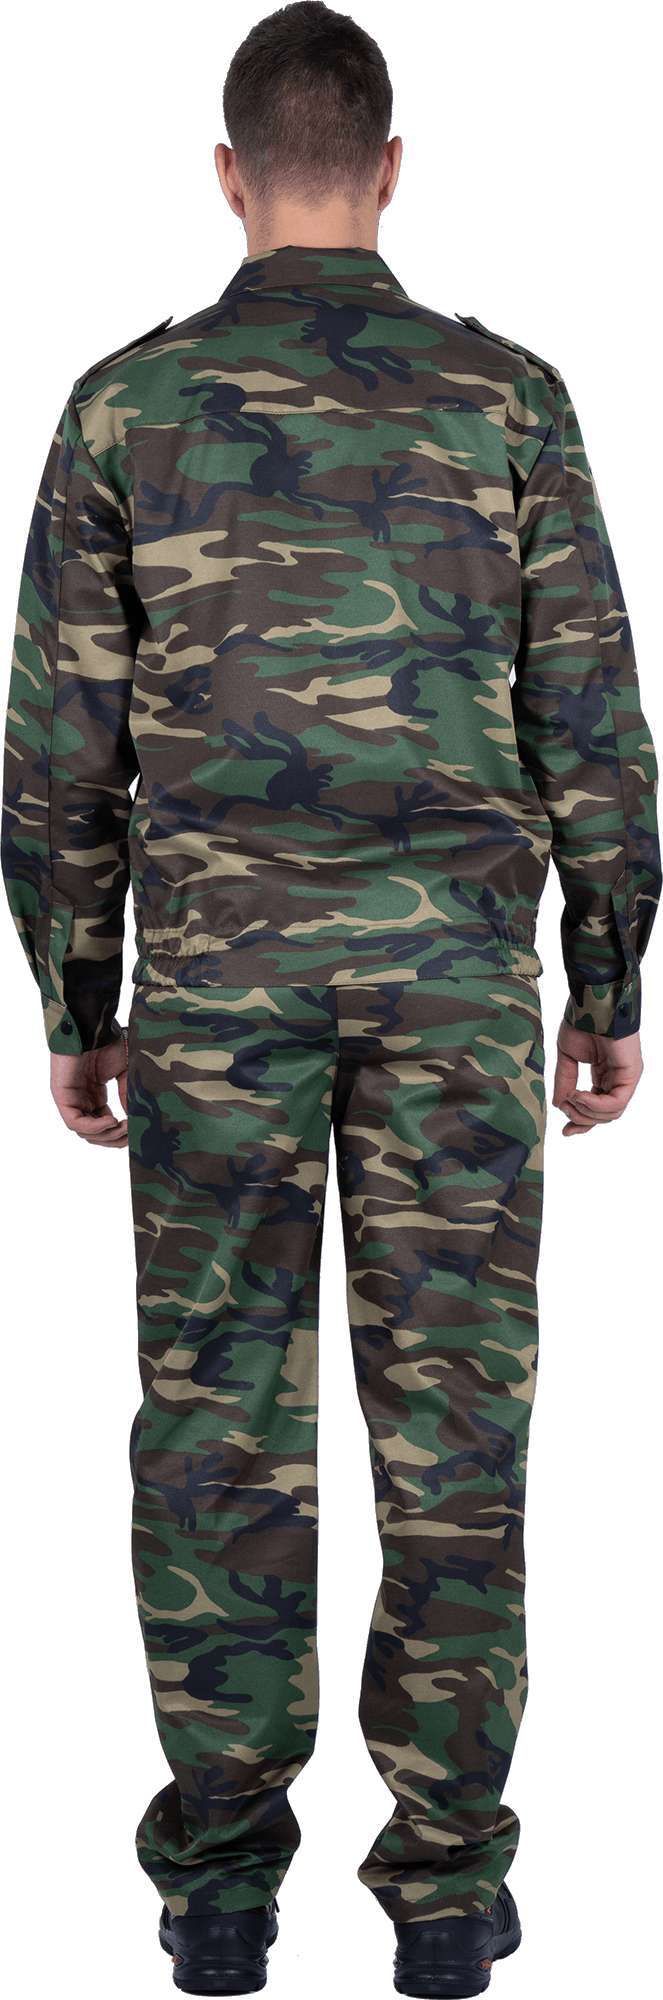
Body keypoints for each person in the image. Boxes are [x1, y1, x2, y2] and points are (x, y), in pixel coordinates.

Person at [2, 4, 660, 1996]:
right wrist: (605, 970)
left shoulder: (125, 407)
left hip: (216, 1000)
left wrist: (78, 999)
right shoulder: (507, 402)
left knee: (218, 1427)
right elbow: (590, 717)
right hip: (455, 998)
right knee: (455, 1437)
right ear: (386, 169)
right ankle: (447, 1895)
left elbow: (56, 752)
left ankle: (218, 1893)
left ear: (230, 174)